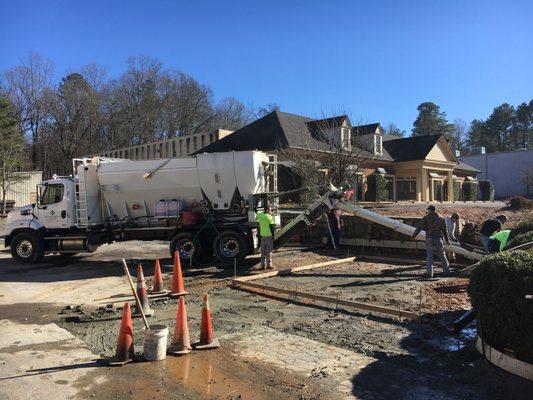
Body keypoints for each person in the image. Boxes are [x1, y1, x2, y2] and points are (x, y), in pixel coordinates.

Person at [411, 205, 450, 279]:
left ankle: (429, 274)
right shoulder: (441, 218)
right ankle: (446, 271)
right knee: (442, 255)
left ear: (430, 210)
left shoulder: (426, 218)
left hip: (429, 238)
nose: (428, 211)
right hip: (438, 239)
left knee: (429, 256)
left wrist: (414, 235)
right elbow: (445, 231)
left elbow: (419, 227)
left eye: (428, 210)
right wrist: (447, 240)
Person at [256, 205, 276, 269]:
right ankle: (269, 265)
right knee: (269, 251)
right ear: (267, 210)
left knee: (263, 251)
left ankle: (262, 265)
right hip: (269, 235)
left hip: (262, 236)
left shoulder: (260, 215)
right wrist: (273, 236)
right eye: (270, 210)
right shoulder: (269, 217)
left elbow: (255, 211)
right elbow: (271, 227)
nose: (271, 211)